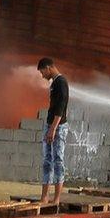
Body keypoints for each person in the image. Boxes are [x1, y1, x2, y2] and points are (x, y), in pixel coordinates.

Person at [36, 57, 70, 207]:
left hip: (58, 127)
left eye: (42, 72)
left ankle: (56, 199)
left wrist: (53, 128)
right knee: (47, 160)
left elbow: (60, 108)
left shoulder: (61, 83)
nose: (42, 76)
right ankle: (44, 197)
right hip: (51, 125)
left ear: (48, 68)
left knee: (58, 160)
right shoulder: (54, 83)